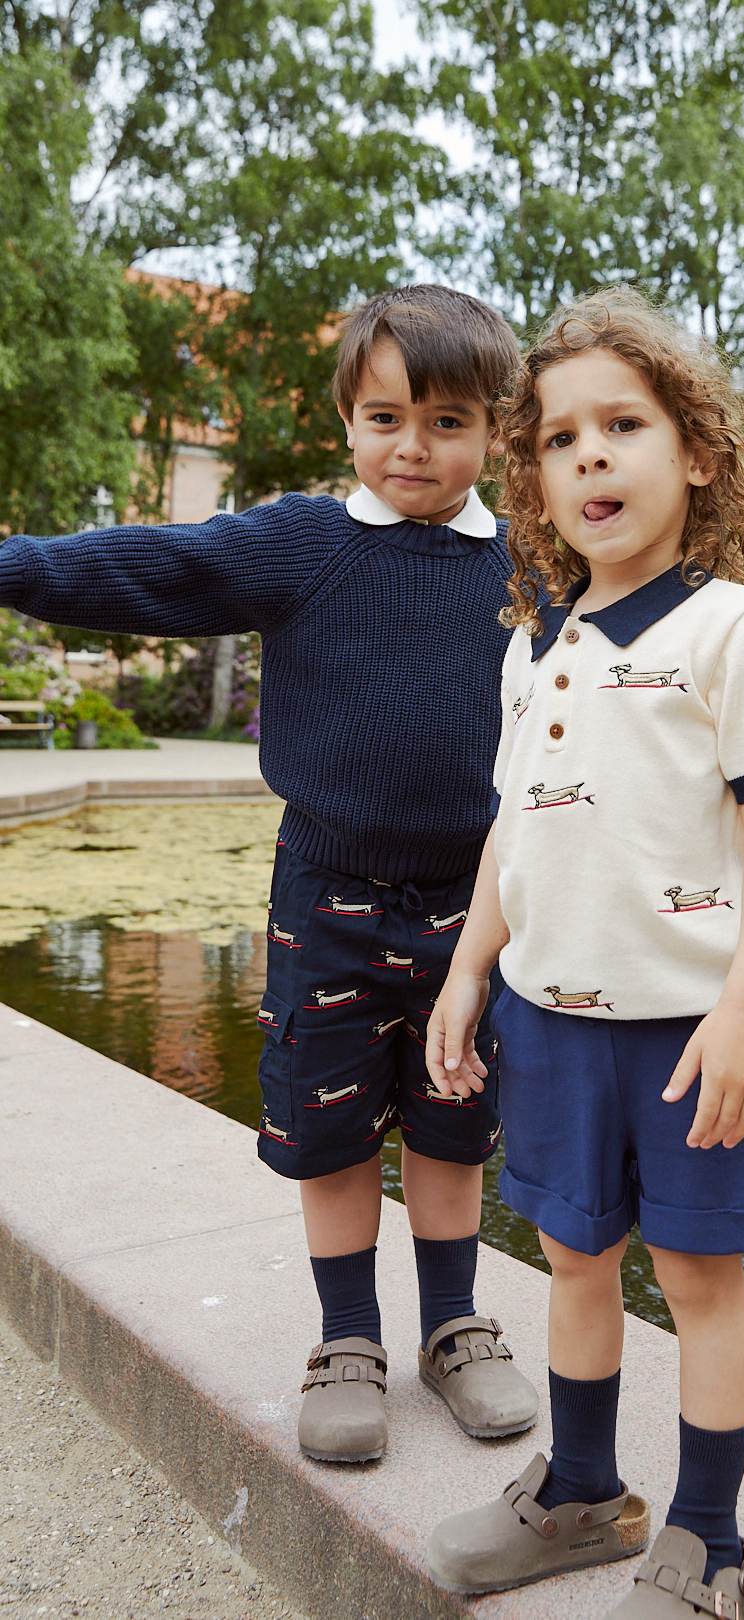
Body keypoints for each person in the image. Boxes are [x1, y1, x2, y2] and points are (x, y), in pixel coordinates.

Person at [0, 284, 539, 1463]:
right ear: (347, 414)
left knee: (452, 1126)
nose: (415, 445)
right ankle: (349, 1338)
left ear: (497, 431)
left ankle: (453, 1323)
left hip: (476, 908)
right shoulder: (306, 543)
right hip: (327, 900)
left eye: (450, 421)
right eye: (387, 415)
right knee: (330, 1129)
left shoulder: (528, 566)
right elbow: (157, 568)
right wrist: (12, 565)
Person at [423, 286, 744, 1617]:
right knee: (574, 1260)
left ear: (696, 454)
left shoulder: (731, 630)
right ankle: (583, 1491)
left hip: (690, 1031)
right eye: (559, 436)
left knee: (702, 1280)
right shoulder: (534, 643)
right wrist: (472, 967)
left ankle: (708, 1537)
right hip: (549, 1023)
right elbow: (512, 832)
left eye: (624, 424)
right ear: (535, 479)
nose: (590, 453)